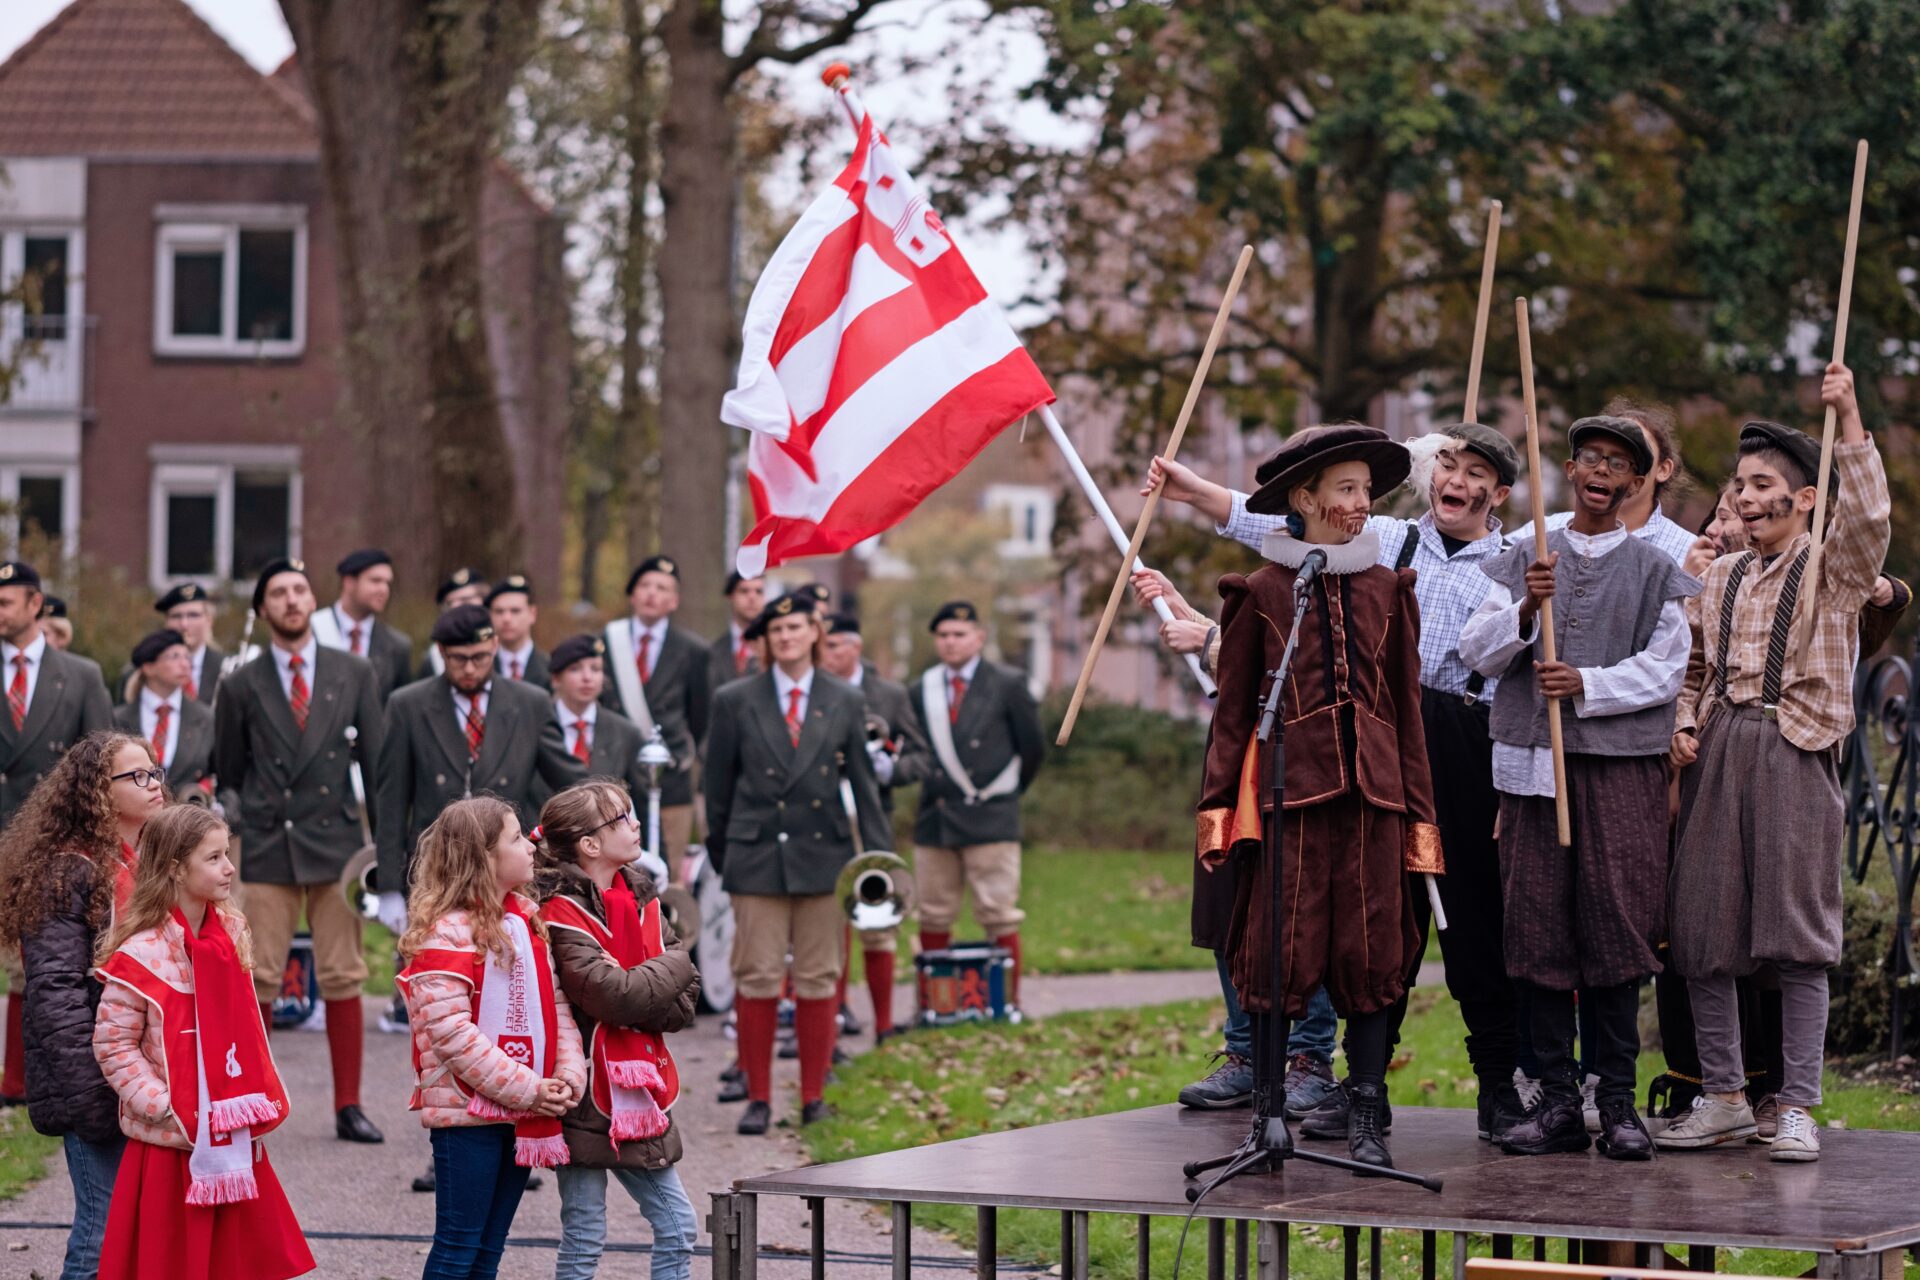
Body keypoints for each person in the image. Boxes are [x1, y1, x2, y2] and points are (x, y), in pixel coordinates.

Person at [1149, 421, 1529, 1139]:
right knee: (1333, 928)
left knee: (1458, 927)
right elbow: (1271, 522)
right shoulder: (1379, 543)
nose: (1459, 478)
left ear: (1499, 493)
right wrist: (1194, 493)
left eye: (1478, 471)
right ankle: (1335, 1088)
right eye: (1448, 462)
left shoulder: (1500, 563)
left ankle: (1496, 1089)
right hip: (1338, 760)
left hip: (1456, 744)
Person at [1659, 366, 1892, 1163]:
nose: (1746, 497)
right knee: (1703, 928)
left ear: (1803, 500)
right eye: (1740, 484)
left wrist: (1849, 414)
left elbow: (1868, 521)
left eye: (1765, 485)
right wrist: (1685, 724)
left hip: (1794, 750)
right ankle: (1722, 1095)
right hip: (1723, 748)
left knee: (1796, 937)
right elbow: (1693, 670)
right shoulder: (1717, 575)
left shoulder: (1832, 572)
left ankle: (1794, 1103)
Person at [1195, 424, 1439, 1171]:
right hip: (1288, 804)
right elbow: (1234, 715)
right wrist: (1217, 816)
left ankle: (1365, 1108)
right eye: (1346, 488)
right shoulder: (1264, 592)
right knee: (1277, 951)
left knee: (1370, 955)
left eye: (1367, 489)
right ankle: (1266, 1112)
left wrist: (1421, 821)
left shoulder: (1388, 591)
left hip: (1373, 799)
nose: (1361, 503)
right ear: (1303, 499)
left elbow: (1405, 712)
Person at [1458, 415, 1700, 1161]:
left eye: (1619, 462)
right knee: (1536, 932)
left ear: (1635, 481)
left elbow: (1667, 668)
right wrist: (1530, 609)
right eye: (1590, 456)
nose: (1602, 470)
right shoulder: (1528, 555)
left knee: (1617, 928)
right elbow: (1478, 651)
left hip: (1619, 772)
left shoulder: (1657, 569)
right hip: (1534, 772)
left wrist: (1585, 682)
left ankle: (1619, 1104)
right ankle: (1559, 1102)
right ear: (1570, 467)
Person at [92, 804, 314, 1280]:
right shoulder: (141, 952)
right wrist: (163, 1103)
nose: (229, 867)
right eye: (213, 858)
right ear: (175, 868)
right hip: (172, 1142)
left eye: (227, 855)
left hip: (230, 1136)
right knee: (172, 1263)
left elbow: (246, 1025)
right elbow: (113, 1045)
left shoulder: (231, 935)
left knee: (234, 1263)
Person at [213, 557, 388, 1144]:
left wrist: (382, 851)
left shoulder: (354, 671)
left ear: (313, 601)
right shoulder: (240, 682)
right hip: (268, 841)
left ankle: (348, 1105)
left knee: (343, 975)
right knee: (259, 976)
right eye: (279, 593)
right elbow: (230, 770)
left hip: (336, 842)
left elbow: (377, 764)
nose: (292, 600)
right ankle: (256, 1099)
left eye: (300, 590)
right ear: (262, 610)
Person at [704, 594, 890, 1134]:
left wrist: (877, 863)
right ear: (765, 639)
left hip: (822, 854)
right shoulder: (735, 699)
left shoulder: (845, 700)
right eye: (776, 628)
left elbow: (864, 785)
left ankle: (813, 1095)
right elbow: (716, 788)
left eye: (796, 626)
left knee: (818, 976)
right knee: (758, 974)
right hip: (757, 853)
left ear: (816, 632)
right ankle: (758, 1096)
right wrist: (725, 855)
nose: (785, 636)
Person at [395, 797, 585, 1280]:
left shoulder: (523, 924)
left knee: (489, 1250)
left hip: (523, 1108)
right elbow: (454, 1035)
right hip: (467, 1116)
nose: (530, 847)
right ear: (484, 857)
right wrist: (529, 1088)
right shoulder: (446, 933)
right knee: (459, 1247)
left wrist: (565, 1074)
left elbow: (554, 1007)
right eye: (517, 838)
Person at [0, 731, 161, 1280]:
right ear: (99, 791)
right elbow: (55, 997)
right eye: (136, 776)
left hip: (137, 1078)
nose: (154, 782)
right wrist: (92, 1097)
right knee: (103, 1233)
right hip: (92, 1081)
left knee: (135, 1231)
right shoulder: (67, 871)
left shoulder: (144, 862)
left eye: (154, 770)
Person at [536, 781, 701, 1280]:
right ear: (589, 844)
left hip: (638, 1086)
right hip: (584, 1088)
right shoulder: (559, 911)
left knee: (678, 1227)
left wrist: (645, 984)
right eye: (623, 819)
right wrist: (671, 964)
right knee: (585, 1235)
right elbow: (611, 995)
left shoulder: (642, 895)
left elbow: (685, 1000)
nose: (635, 826)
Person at [0, 558, 113, 1104]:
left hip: (49, 844)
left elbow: (100, 763)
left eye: (6, 601)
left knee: (42, 966)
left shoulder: (81, 674)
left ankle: (21, 1082)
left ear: (36, 605)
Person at [907, 601, 1045, 1005]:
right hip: (937, 816)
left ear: (979, 639)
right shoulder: (921, 689)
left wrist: (1004, 794)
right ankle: (936, 1005)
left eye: (959, 635)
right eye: (944, 635)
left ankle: (1007, 1003)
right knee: (933, 913)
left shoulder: (1008, 683)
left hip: (991, 818)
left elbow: (1032, 748)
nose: (951, 642)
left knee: (998, 912)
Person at [819, 612, 932, 1042]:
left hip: (871, 822)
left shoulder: (888, 694)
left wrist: (889, 770)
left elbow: (920, 756)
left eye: (834, 646)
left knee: (877, 919)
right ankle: (837, 1013)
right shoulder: (813, 690)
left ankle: (884, 1023)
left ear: (854, 647)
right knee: (828, 922)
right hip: (823, 821)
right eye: (823, 646)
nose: (827, 654)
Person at [601, 557, 709, 882]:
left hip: (669, 781)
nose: (652, 594)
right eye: (645, 586)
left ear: (674, 600)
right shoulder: (606, 643)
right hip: (614, 777)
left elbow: (700, 719)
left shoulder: (694, 651)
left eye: (662, 588)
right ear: (632, 595)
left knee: (668, 875)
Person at [540, 635, 652, 808]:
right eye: (575, 669)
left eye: (595, 669)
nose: (587, 677)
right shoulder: (537, 725)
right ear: (555, 679)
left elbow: (641, 802)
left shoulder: (626, 733)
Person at [112, 630, 214, 799]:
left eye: (187, 657)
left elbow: (222, 777)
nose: (185, 664)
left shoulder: (205, 718)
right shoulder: (117, 718)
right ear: (149, 667)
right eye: (174, 657)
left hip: (187, 820)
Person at [312, 548, 415, 704]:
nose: (384, 590)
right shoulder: (312, 629)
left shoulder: (397, 646)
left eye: (387, 583)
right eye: (375, 581)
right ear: (349, 582)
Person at [152, 584, 224, 706]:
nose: (184, 624)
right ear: (166, 622)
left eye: (193, 615)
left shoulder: (228, 669)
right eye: (176, 616)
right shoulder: (147, 671)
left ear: (209, 621)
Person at [417, 569, 491, 681]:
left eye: (465, 600)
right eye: (449, 604)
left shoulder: (503, 646)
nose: (456, 608)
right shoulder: (434, 657)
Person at [487, 575, 550, 690]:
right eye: (499, 611)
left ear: (532, 614)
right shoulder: (482, 668)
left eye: (515, 611)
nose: (506, 619)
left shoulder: (551, 669)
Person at [707, 572, 766, 693]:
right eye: (744, 591)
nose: (752, 597)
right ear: (730, 596)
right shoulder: (713, 650)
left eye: (758, 591)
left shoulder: (774, 647)